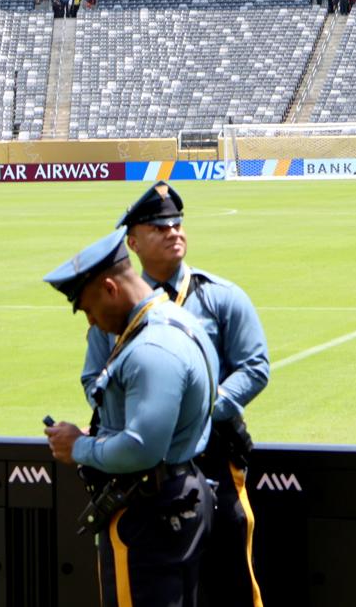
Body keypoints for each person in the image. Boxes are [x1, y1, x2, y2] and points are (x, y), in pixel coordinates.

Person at [93, 183, 269, 607]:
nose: (173, 231)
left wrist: (197, 409)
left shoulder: (221, 296)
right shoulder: (115, 306)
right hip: (144, 473)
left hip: (216, 459)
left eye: (177, 223)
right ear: (133, 242)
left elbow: (255, 366)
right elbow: (92, 378)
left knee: (233, 582)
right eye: (159, 227)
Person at [44, 229, 218, 607]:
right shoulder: (178, 319)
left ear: (110, 288)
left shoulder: (150, 348)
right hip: (179, 494)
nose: (91, 322)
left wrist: (79, 446)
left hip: (150, 512)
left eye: (88, 309)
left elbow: (141, 448)